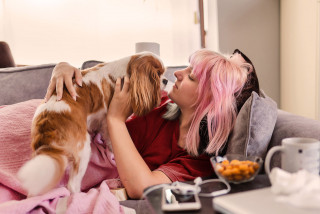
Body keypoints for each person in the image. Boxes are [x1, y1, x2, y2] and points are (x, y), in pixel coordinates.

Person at [44, 49, 259, 199]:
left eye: (190, 76)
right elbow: (104, 77)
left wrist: (115, 119)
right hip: (58, 116)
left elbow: (142, 187)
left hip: (68, 144)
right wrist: (64, 68)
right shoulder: (160, 99)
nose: (177, 74)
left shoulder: (194, 160)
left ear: (208, 103)